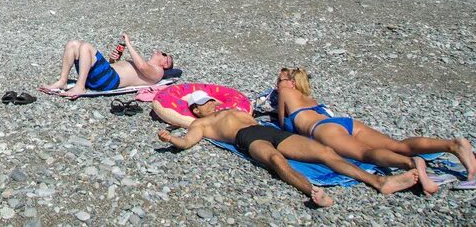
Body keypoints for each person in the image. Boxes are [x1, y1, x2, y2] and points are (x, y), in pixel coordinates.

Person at [159, 92, 419, 206]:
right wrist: (171, 140)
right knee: (275, 159)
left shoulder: (232, 109)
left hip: (270, 131)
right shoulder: (201, 124)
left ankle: (378, 181)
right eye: (206, 103)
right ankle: (312, 191)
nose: (213, 104)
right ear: (196, 109)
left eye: (212, 100)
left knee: (325, 153)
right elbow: (187, 142)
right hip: (247, 138)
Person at [276, 67, 475, 194]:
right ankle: (452, 144)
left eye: (280, 79)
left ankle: (410, 163)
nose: (277, 84)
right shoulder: (310, 98)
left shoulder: (285, 92)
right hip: (344, 122)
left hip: (321, 129)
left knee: (365, 153)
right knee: (397, 144)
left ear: (291, 82)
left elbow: (284, 123)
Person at [38, 34, 173, 99]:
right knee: (73, 43)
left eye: (163, 53)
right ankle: (62, 81)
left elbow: (142, 67)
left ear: (166, 63)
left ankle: (80, 86)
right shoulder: (146, 65)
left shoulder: (157, 72)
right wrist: (113, 60)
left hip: (110, 81)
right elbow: (118, 67)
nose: (158, 51)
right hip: (105, 76)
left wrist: (129, 44)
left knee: (86, 46)